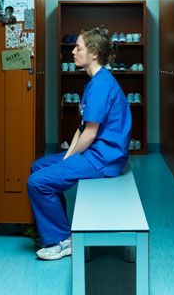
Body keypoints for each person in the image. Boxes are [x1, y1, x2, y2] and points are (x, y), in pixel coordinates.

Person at [27, 27, 132, 260]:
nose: (73, 52)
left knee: (36, 182)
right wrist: (67, 157)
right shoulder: (94, 82)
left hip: (103, 159)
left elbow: (90, 135)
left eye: (79, 48)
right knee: (38, 167)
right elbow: (82, 129)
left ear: (94, 53)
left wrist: (70, 158)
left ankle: (63, 240)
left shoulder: (102, 84)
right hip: (93, 153)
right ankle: (54, 229)